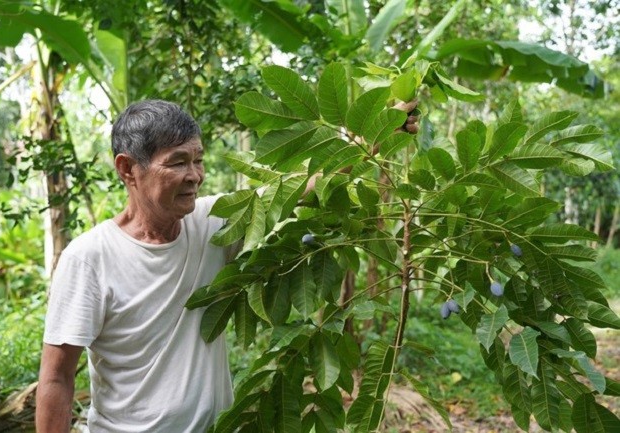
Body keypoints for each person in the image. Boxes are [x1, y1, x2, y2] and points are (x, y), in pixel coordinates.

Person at [35, 98, 419, 433]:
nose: (195, 176)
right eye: (178, 163)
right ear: (127, 169)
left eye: (198, 160)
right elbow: (56, 376)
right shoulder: (89, 258)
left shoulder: (214, 221)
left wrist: (381, 132)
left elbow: (310, 186)